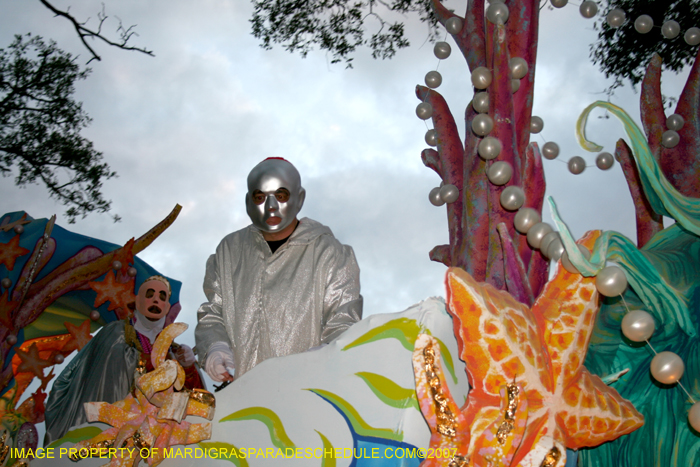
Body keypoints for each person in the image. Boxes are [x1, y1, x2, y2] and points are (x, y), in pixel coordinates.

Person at [195, 158, 362, 383]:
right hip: (239, 396)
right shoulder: (229, 252)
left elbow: (344, 322)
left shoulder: (329, 253)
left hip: (305, 395)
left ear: (299, 198)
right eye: (260, 197)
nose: (271, 206)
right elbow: (213, 313)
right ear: (248, 202)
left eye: (281, 195)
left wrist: (323, 357)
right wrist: (215, 346)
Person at [44, 276, 203, 445]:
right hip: (110, 436)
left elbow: (196, 403)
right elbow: (111, 369)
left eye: (162, 297)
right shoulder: (115, 332)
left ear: (167, 308)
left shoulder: (173, 349)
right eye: (150, 294)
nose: (156, 299)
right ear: (137, 301)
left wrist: (188, 368)